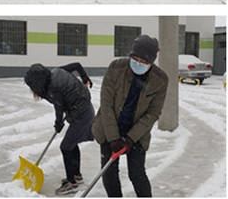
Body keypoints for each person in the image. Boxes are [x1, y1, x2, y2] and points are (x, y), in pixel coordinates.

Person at [92, 35, 168, 198]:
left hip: (137, 135)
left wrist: (130, 138)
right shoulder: (116, 68)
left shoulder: (160, 80)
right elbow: (106, 105)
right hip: (108, 128)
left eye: (143, 61)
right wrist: (113, 138)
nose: (138, 63)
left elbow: (153, 113)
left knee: (137, 174)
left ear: (151, 62)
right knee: (109, 174)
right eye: (135, 58)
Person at [24, 63, 95, 195]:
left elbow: (59, 107)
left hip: (82, 114)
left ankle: (72, 183)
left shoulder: (52, 88)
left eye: (32, 86)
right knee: (71, 144)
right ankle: (76, 176)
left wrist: (58, 123)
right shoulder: (55, 71)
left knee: (66, 147)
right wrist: (84, 78)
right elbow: (77, 65)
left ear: (38, 83)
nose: (32, 90)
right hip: (83, 109)